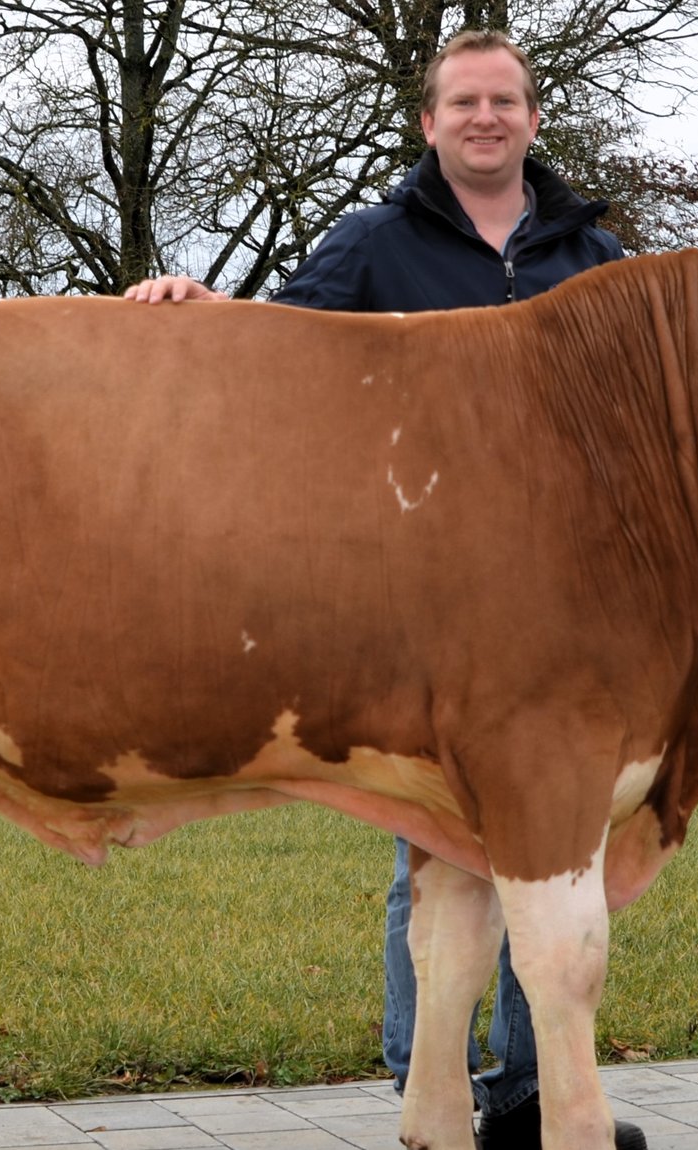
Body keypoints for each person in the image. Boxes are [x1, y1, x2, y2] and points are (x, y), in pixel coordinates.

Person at [123, 30, 640, 1150]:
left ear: (532, 118)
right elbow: (287, 348)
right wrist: (202, 306)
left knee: (549, 851)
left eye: (503, 100)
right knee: (435, 840)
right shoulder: (372, 245)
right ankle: (432, 1084)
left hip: (555, 612)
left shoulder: (589, 252)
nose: (485, 118)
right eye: (464, 102)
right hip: (420, 607)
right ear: (429, 122)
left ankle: (530, 1094)